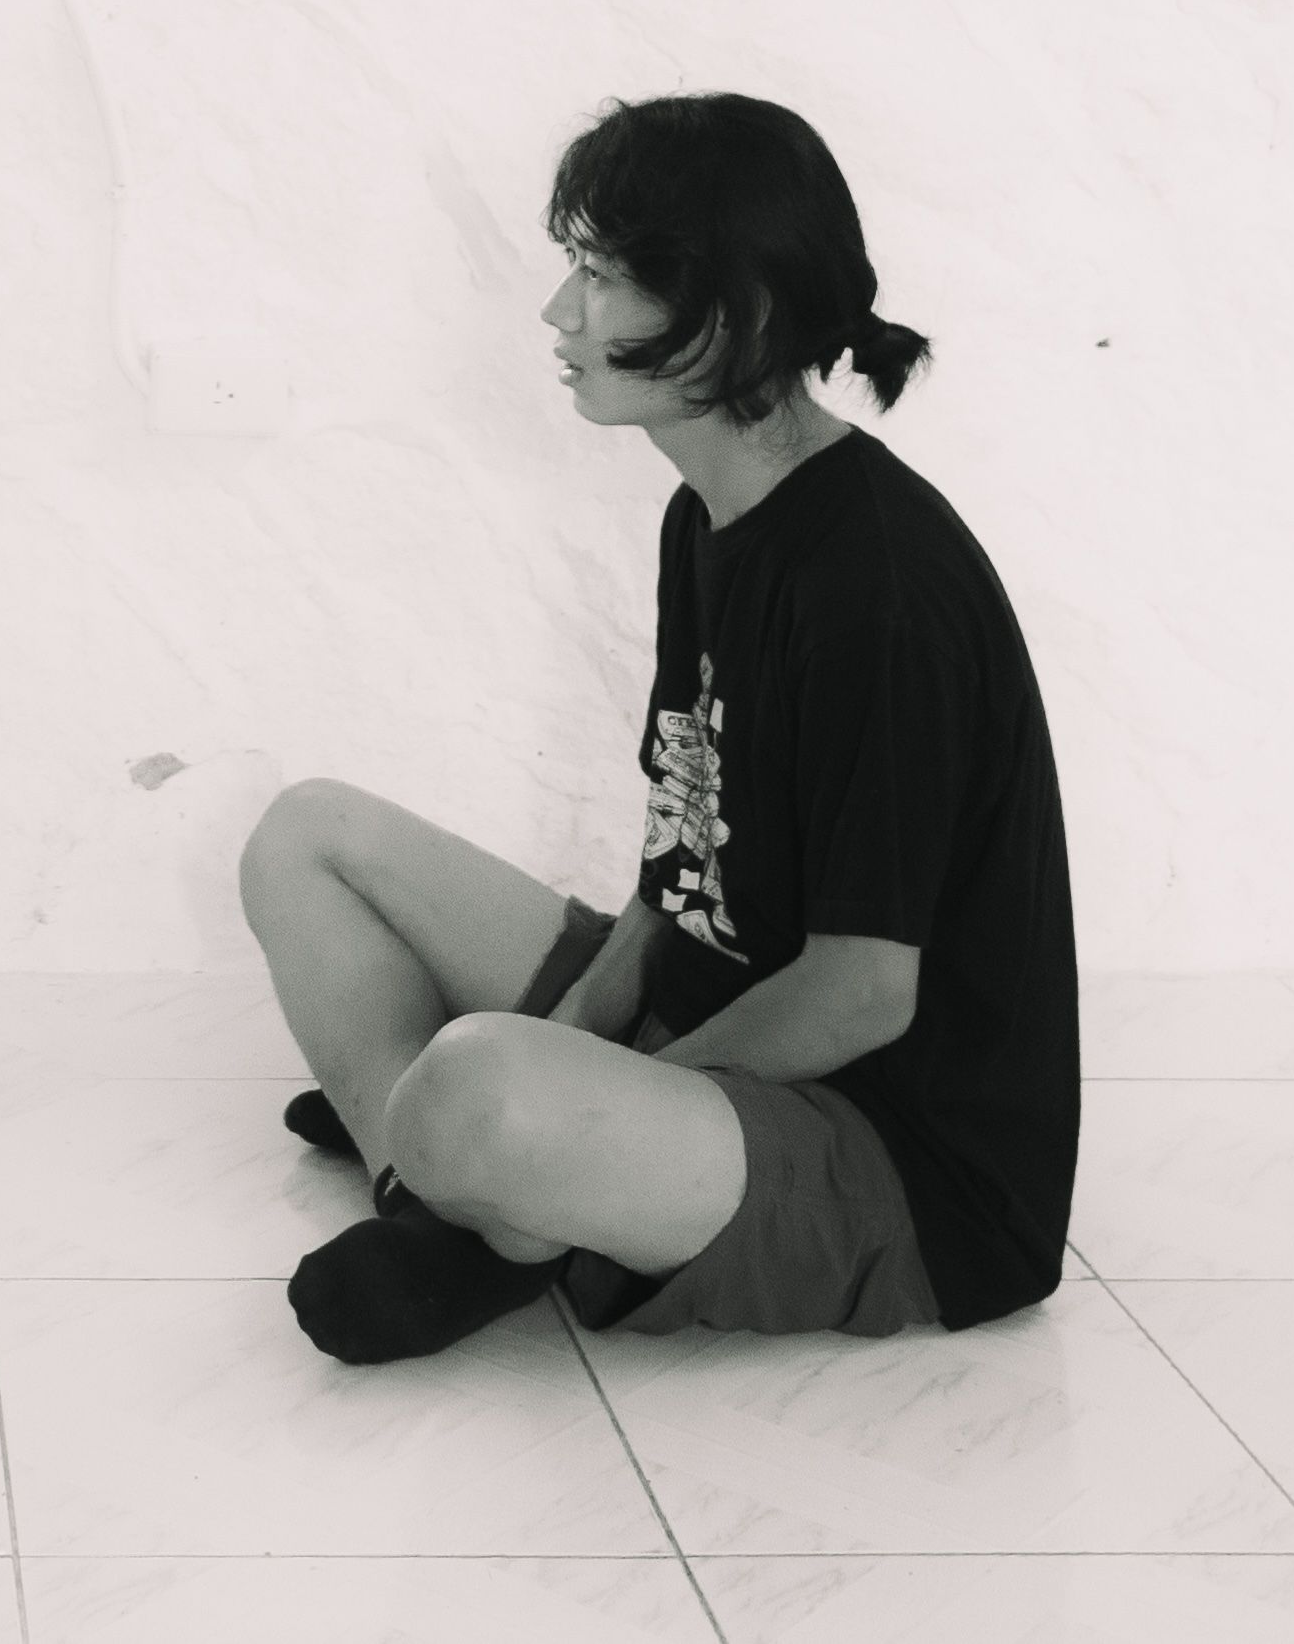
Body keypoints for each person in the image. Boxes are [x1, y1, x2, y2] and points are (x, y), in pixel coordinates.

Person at [237, 93, 1078, 1363]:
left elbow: (862, 994)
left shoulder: (879, 589)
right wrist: (581, 1039)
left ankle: (476, 1186)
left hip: (891, 1156)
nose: (558, 312)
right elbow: (678, 861)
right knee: (305, 835)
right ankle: (453, 1197)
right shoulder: (708, 515)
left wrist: (599, 1083)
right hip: (721, 1024)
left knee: (471, 1084)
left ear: (728, 316)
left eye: (601, 275)